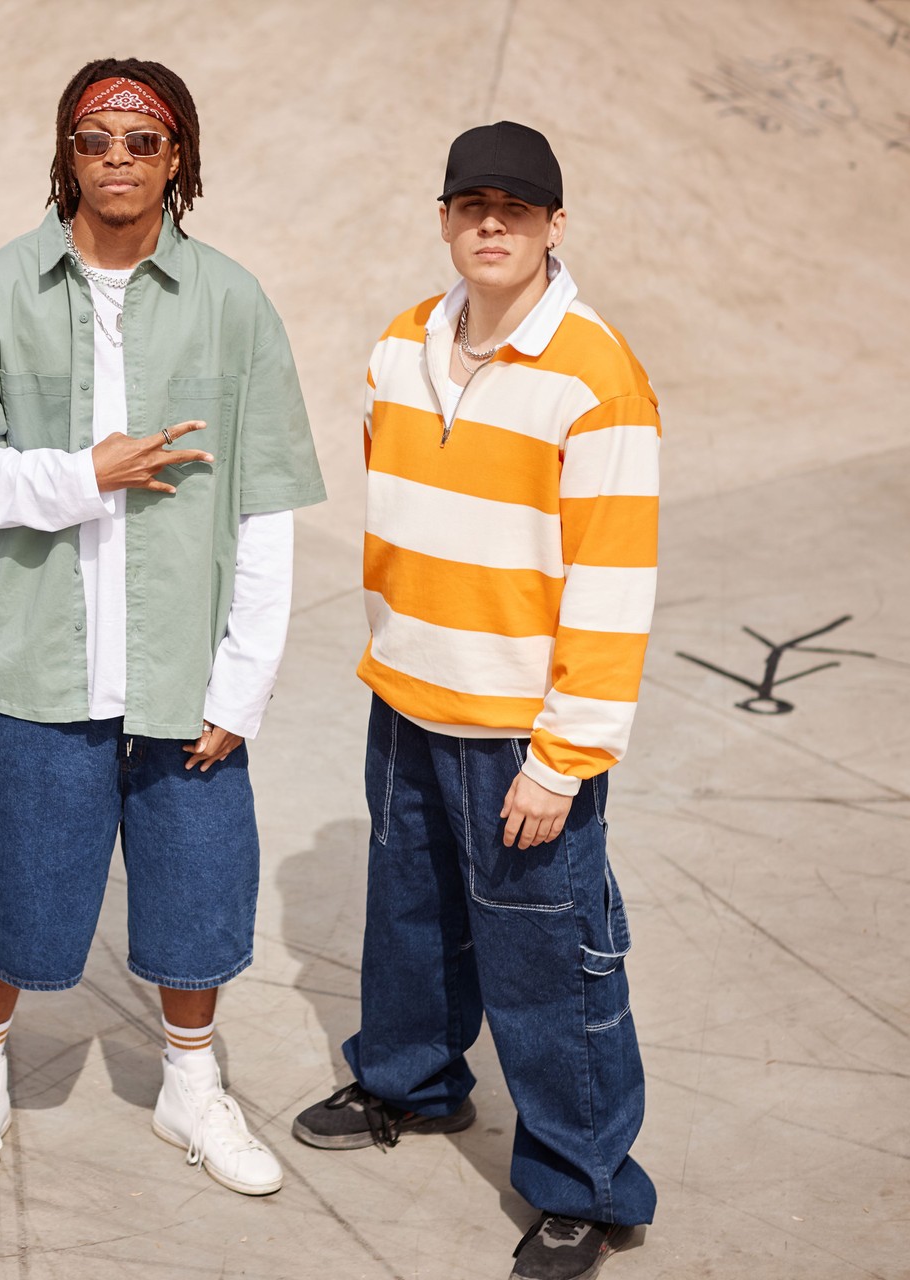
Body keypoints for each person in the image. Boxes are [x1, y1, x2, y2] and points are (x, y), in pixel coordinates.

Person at [0, 60, 326, 1199]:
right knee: (13, 887)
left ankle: (190, 1088)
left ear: (177, 156)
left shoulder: (232, 302)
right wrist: (77, 477)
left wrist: (242, 683)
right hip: (39, 663)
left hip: (185, 672)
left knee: (198, 893)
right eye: (96, 138)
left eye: (144, 141)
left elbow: (266, 501)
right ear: (67, 152)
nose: (119, 159)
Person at [289, 121, 660, 1280]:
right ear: (446, 217)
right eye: (470, 204)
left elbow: (614, 580)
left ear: (555, 224)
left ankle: (585, 1184)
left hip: (518, 731)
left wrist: (566, 756)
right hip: (406, 700)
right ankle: (412, 1080)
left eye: (517, 206)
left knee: (552, 961)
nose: (490, 223)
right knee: (407, 923)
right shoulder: (401, 343)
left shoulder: (597, 376)